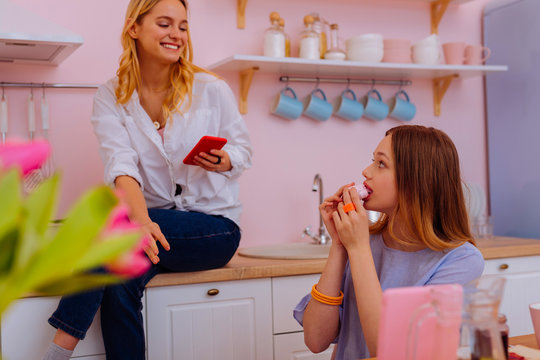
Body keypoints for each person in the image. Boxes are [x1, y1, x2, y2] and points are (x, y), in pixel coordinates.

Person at [42, 0, 252, 359]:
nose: (177, 34)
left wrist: (224, 159)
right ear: (134, 28)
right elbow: (121, 166)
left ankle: (58, 350)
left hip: (213, 228)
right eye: (165, 23)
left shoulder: (211, 89)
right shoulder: (111, 96)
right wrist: (139, 221)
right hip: (148, 230)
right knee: (119, 280)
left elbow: (243, 151)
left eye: (183, 26)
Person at [293, 125, 484, 360]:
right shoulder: (362, 243)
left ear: (415, 181)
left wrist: (358, 248)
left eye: (381, 164)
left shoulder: (461, 261)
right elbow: (315, 339)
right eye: (372, 161)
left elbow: (389, 353)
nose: (366, 171)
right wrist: (340, 245)